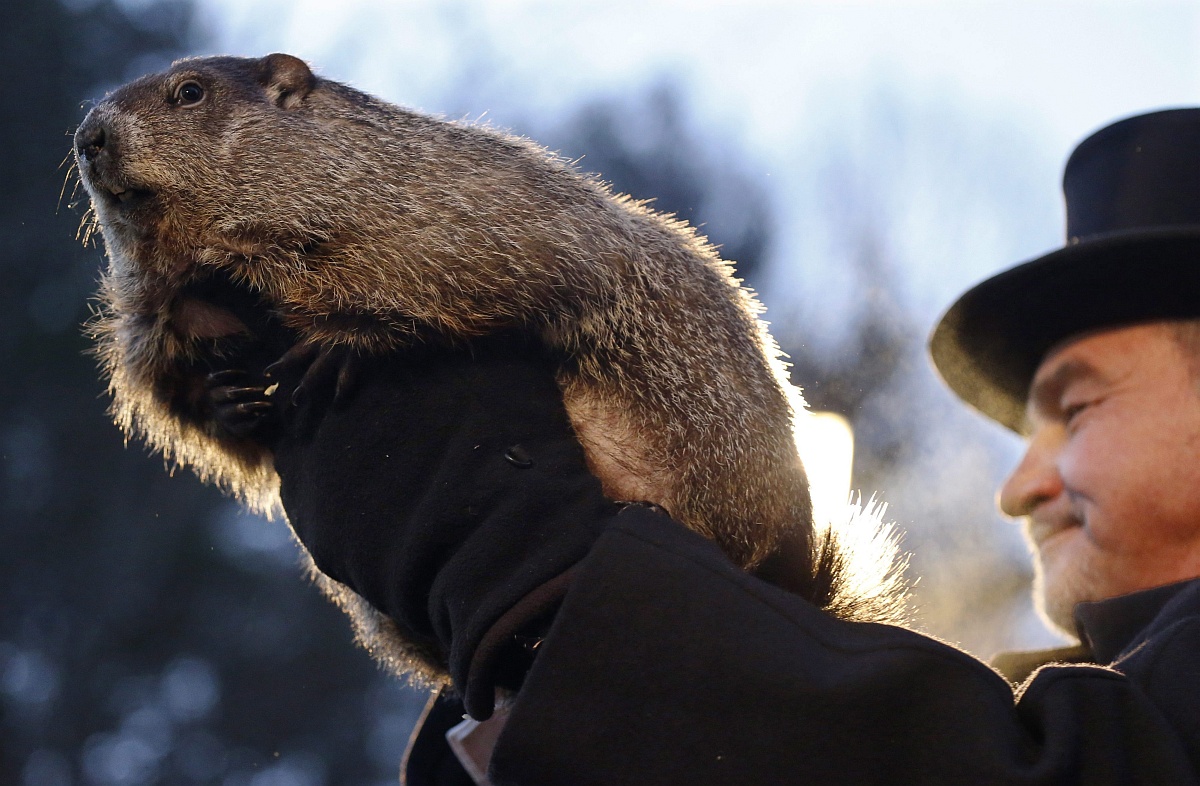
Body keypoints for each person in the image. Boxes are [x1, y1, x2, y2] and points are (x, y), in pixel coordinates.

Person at [271, 108, 1200, 785]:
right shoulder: (1012, 690)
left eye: (1074, 411)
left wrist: (545, 581)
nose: (1017, 486)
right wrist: (517, 670)